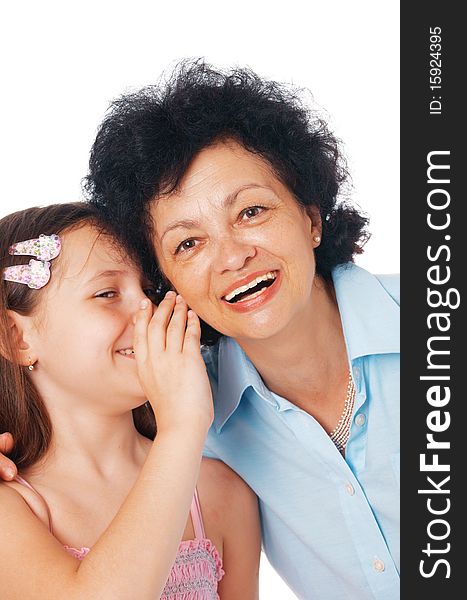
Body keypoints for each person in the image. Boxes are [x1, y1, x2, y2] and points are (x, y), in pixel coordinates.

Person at [0, 62, 399, 599]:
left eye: (252, 211)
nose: (233, 256)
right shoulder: (196, 400)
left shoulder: (202, 442)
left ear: (311, 216)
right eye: (187, 243)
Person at [0, 203, 260, 599]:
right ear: (17, 338)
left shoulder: (221, 494)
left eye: (151, 291)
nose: (147, 312)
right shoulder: (11, 507)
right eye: (107, 293)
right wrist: (181, 426)